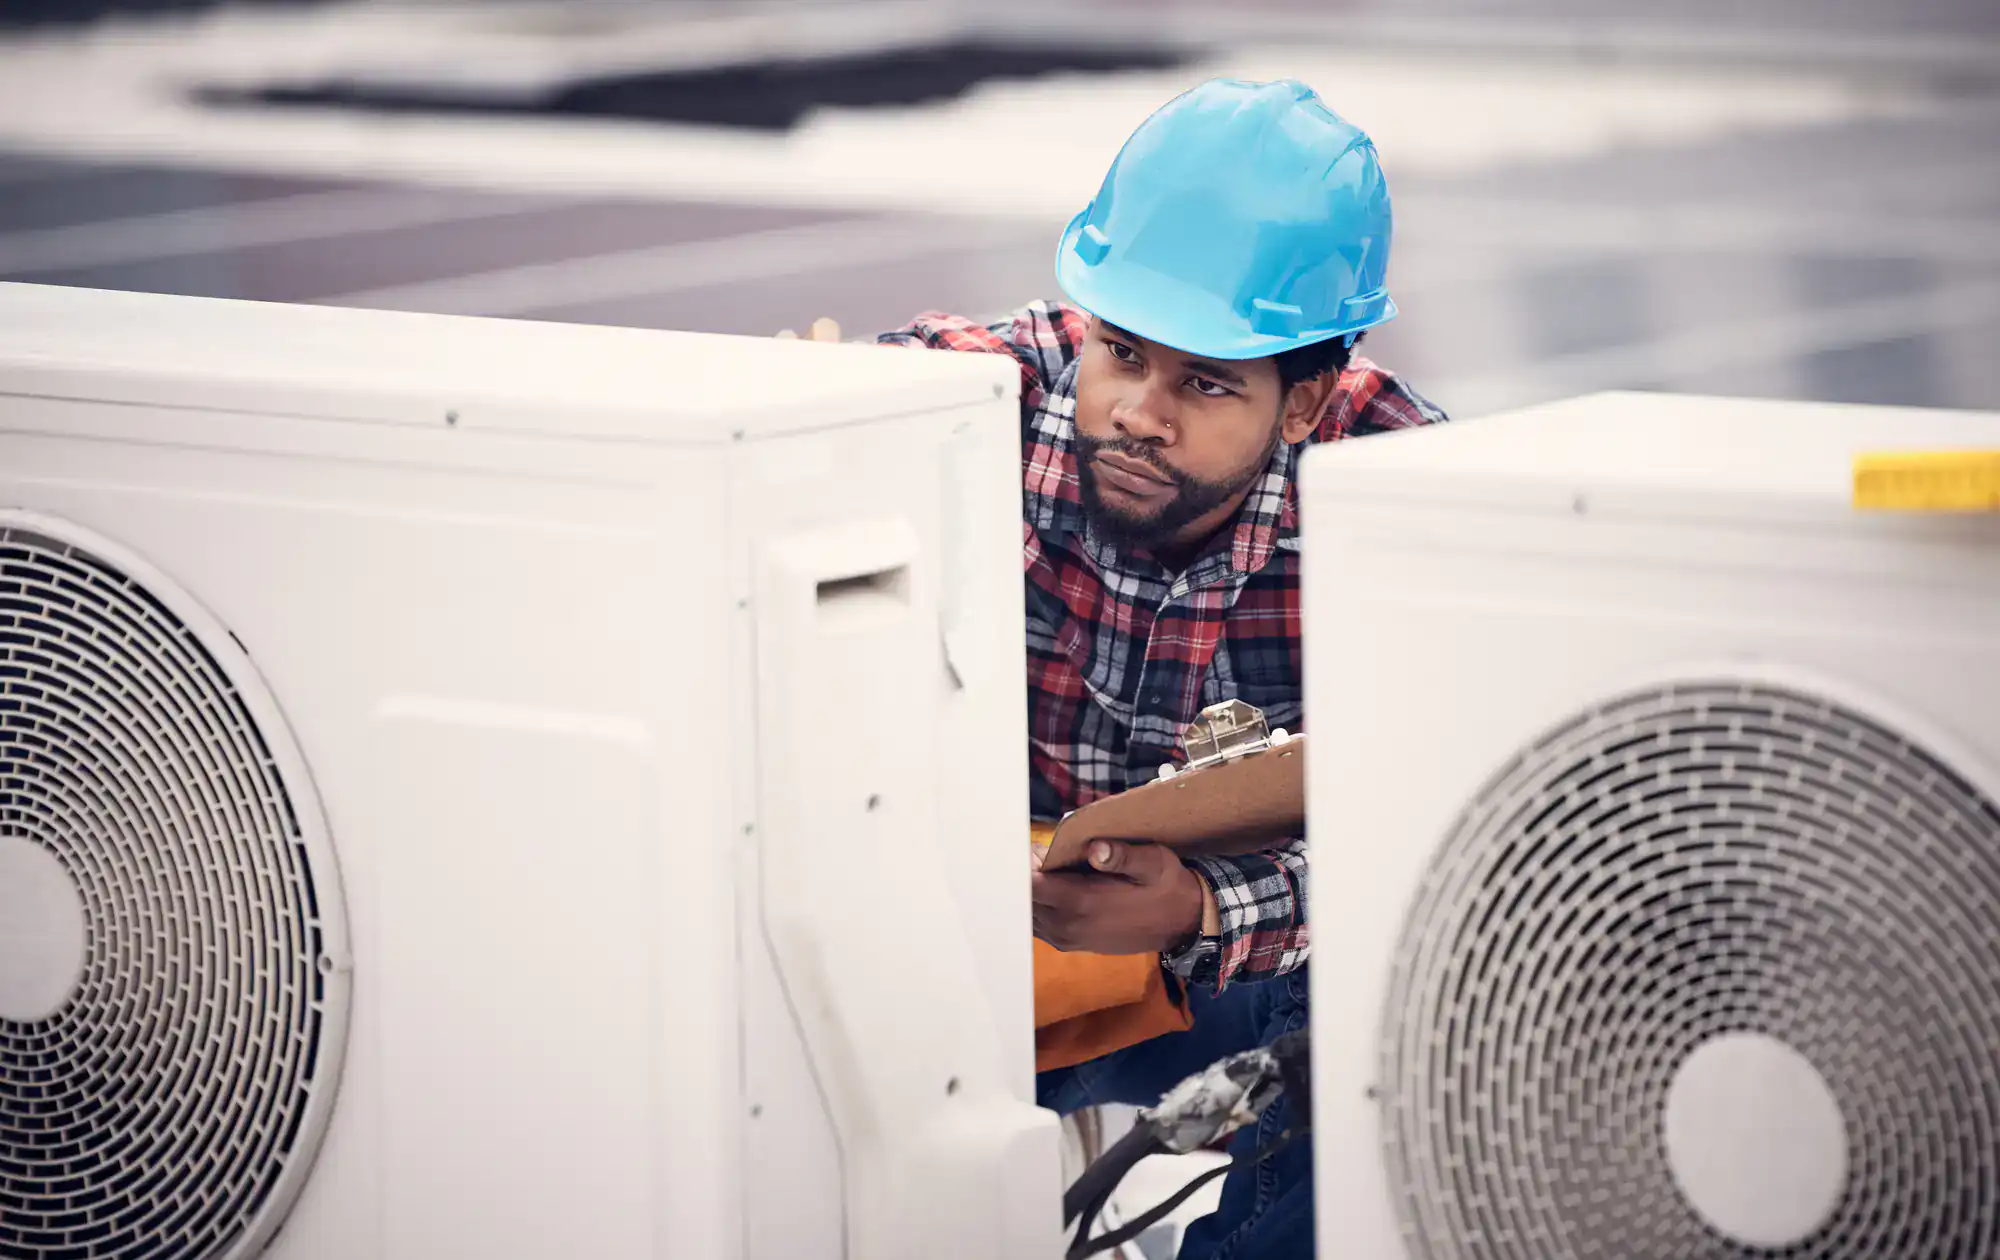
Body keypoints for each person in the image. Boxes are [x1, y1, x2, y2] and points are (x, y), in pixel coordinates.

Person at [796, 77, 1446, 1258]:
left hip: (1244, 968)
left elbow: (1448, 832)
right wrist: (794, 426)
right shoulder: (974, 395)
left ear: (1303, 401)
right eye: (1122, 352)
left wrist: (1203, 909)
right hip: (985, 945)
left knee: (1407, 1031)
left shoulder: (1405, 503)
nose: (1137, 413)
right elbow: (773, 432)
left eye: (1204, 382)